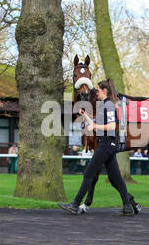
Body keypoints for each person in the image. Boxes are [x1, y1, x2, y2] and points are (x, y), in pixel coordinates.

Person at [58, 79, 135, 215]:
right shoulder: (103, 106)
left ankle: (75, 204)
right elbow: (94, 122)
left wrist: (94, 126)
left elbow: (112, 126)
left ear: (104, 91)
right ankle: (128, 207)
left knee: (89, 173)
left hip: (105, 144)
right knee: (116, 178)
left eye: (98, 90)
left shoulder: (109, 105)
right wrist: (85, 115)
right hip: (107, 144)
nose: (96, 92)